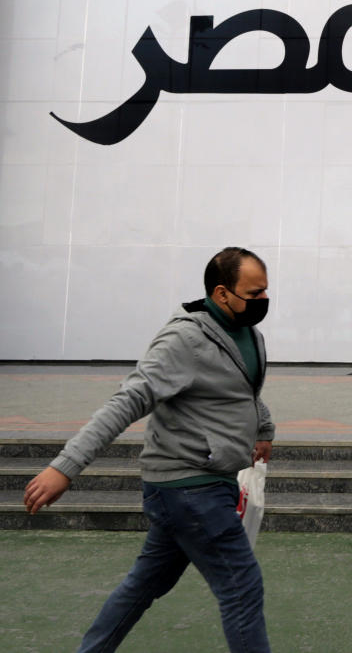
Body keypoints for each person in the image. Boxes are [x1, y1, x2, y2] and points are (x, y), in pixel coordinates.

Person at [24, 247, 275, 652]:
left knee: (145, 584)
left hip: (206, 483)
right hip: (189, 486)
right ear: (222, 293)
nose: (263, 301)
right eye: (254, 293)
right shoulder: (184, 339)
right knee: (242, 587)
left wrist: (263, 427)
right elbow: (127, 400)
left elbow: (242, 389)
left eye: (266, 291)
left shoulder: (248, 333)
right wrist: (65, 467)